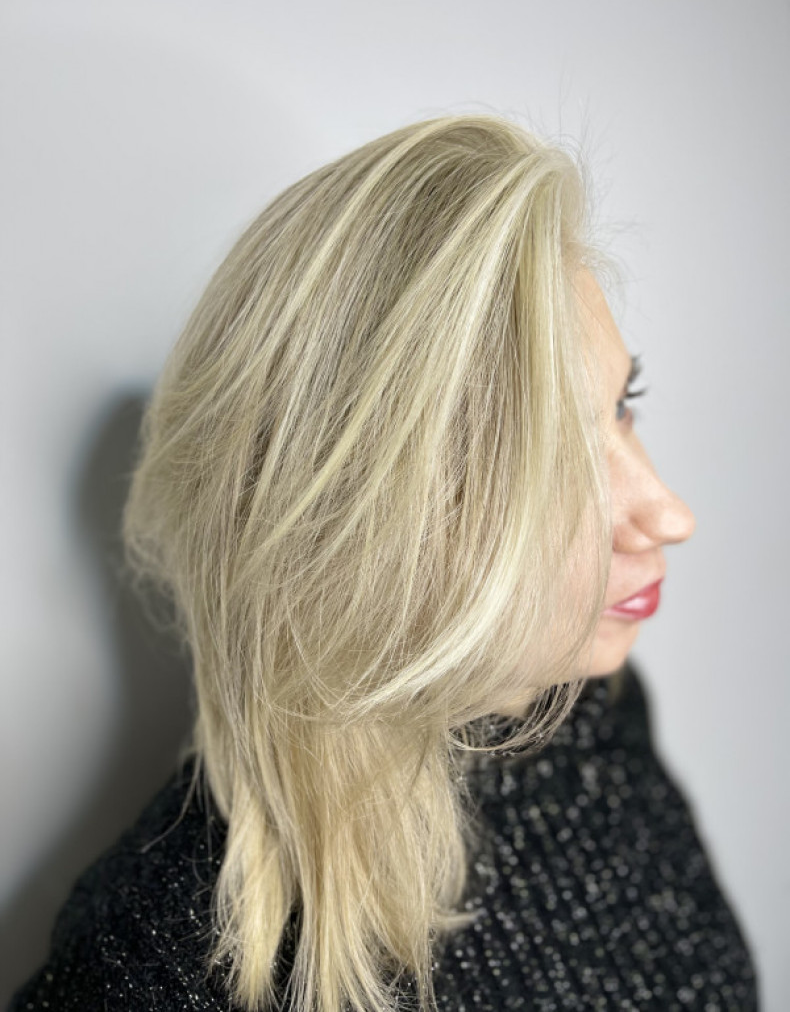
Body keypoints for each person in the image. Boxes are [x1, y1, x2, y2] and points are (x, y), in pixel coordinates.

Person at [10, 115, 759, 1011]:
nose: (670, 513)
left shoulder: (585, 714)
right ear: (358, 522)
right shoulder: (155, 964)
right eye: (557, 456)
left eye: (624, 405)